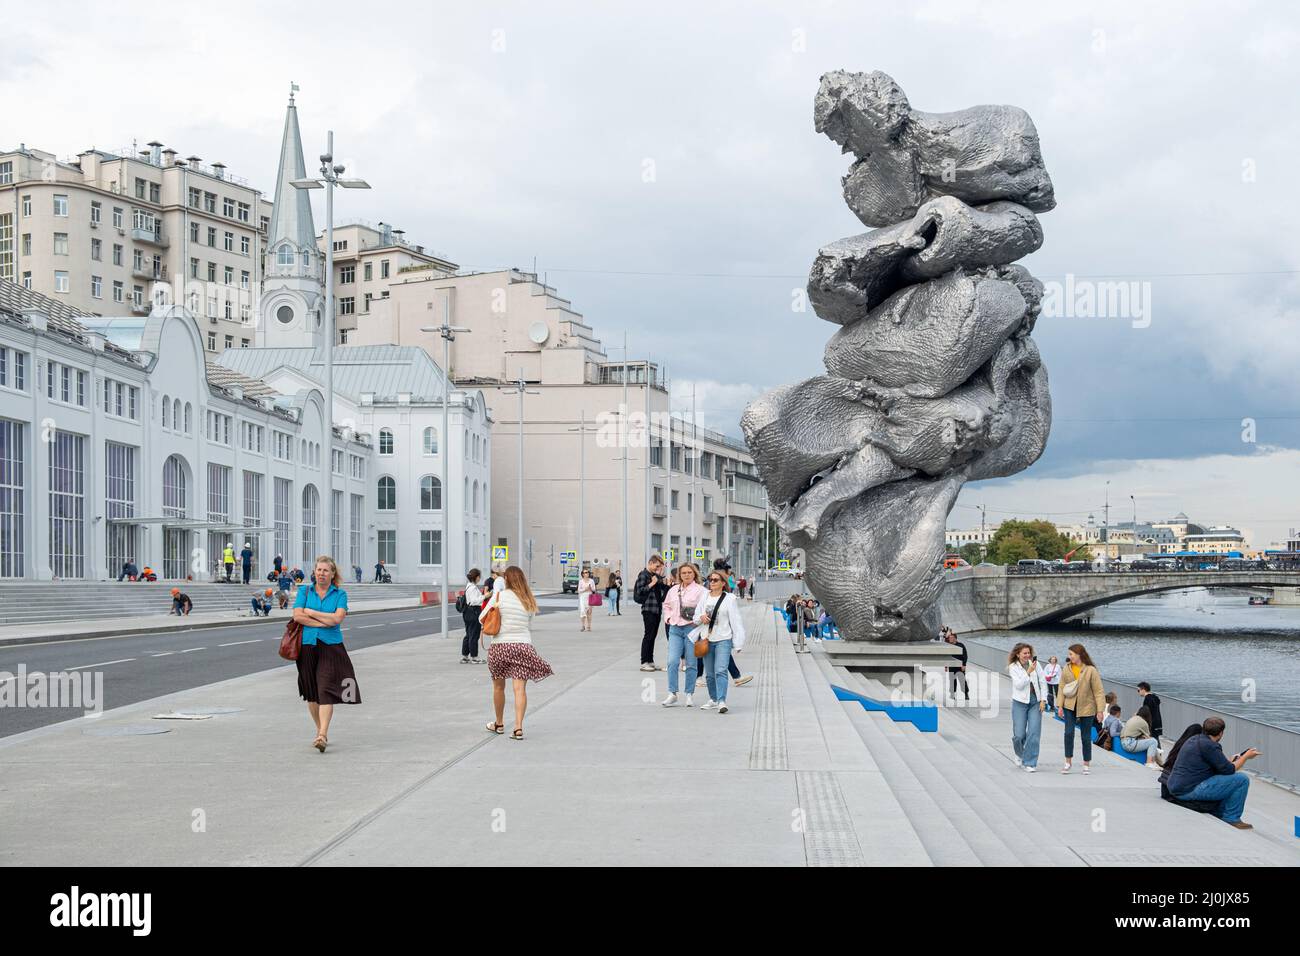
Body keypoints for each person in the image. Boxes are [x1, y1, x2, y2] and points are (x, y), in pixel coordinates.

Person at [294, 555, 360, 753]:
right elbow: (297, 616)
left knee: (326, 690)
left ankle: (322, 734)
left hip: (331, 648)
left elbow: (337, 619)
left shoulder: (340, 594)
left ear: (333, 574)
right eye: (319, 570)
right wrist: (324, 620)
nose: (321, 573)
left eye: (325, 570)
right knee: (312, 695)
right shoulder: (304, 591)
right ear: (314, 572)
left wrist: (311, 613)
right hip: (307, 646)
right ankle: (319, 730)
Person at [481, 565, 552, 740]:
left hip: (500, 647)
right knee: (519, 689)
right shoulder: (528, 599)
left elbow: (481, 616)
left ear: (507, 580)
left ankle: (499, 723)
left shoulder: (499, 596)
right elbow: (529, 621)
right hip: (522, 646)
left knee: (498, 687)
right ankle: (518, 727)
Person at [1165, 717, 1259, 828]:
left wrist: (1230, 761)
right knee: (1241, 780)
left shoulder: (1194, 739)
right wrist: (1246, 757)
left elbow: (1217, 767)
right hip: (1187, 791)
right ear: (1221, 733)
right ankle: (1232, 818)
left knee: (1228, 780)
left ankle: (1220, 812)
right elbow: (1230, 770)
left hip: (1175, 787)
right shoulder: (1210, 745)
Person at [693, 568, 748, 713]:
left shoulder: (729, 599)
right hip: (706, 639)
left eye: (715, 580)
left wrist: (738, 643)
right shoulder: (704, 597)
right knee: (710, 674)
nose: (712, 582)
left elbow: (736, 621)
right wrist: (701, 618)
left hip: (724, 639)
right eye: (710, 579)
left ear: (723, 583)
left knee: (721, 670)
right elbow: (695, 617)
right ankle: (713, 699)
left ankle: (722, 701)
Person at [661, 562, 706, 707]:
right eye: (683, 573)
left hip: (692, 629)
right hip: (675, 628)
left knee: (691, 663)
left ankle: (689, 694)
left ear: (694, 574)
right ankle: (672, 693)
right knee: (672, 661)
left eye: (689, 572)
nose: (686, 575)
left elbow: (706, 608)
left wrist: (699, 621)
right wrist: (668, 618)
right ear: (679, 575)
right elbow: (666, 605)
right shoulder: (673, 590)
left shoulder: (701, 591)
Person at [1058, 643, 1105, 775]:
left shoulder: (1091, 670)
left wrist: (1100, 710)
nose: (1069, 657)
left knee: (1085, 736)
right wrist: (1060, 706)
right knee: (1068, 733)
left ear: (1079, 654)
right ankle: (1068, 762)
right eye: (1069, 654)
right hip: (1069, 705)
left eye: (1071, 654)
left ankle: (1086, 763)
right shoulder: (1066, 669)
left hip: (1087, 707)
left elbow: (1099, 691)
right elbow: (1061, 687)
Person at [1008, 643, 1047, 772]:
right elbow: (1018, 685)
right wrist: (1028, 673)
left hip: (1035, 702)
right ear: (1018, 654)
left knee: (1034, 733)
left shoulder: (1036, 664)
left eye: (1028, 653)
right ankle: (1019, 753)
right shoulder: (1013, 667)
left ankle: (1030, 763)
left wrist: (1043, 699)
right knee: (1019, 735)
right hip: (1019, 702)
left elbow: (1042, 681)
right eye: (1024, 653)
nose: (1027, 655)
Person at [633, 554, 670, 672]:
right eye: (656, 566)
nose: (657, 568)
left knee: (653, 636)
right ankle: (644, 662)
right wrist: (651, 583)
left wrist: (663, 581)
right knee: (648, 635)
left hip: (657, 609)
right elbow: (640, 591)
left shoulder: (655, 576)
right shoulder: (643, 575)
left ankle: (650, 661)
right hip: (648, 609)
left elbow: (664, 591)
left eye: (660, 567)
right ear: (650, 563)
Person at [459, 568, 486, 664]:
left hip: (467, 613)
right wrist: (485, 596)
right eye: (479, 576)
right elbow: (475, 601)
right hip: (474, 612)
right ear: (477, 577)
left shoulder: (468, 586)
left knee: (468, 634)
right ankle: (474, 657)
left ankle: (465, 656)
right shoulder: (473, 588)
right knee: (474, 635)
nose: (480, 578)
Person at [944, 630, 970, 700]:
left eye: (951, 638)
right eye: (949, 638)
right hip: (951, 666)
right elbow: (946, 656)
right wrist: (946, 666)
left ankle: (966, 694)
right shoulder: (948, 646)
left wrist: (964, 665)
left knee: (962, 680)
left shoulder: (961, 645)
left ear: (955, 638)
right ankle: (953, 694)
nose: (950, 639)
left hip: (960, 666)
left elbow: (965, 655)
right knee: (952, 680)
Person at [577, 568, 597, 632]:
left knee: (589, 612)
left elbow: (594, 590)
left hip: (590, 597)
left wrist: (591, 588)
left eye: (587, 572)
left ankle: (589, 626)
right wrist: (585, 589)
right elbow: (579, 591)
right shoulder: (581, 581)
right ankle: (583, 626)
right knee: (582, 611)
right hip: (583, 597)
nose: (587, 573)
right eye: (585, 572)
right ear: (582, 574)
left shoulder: (591, 581)